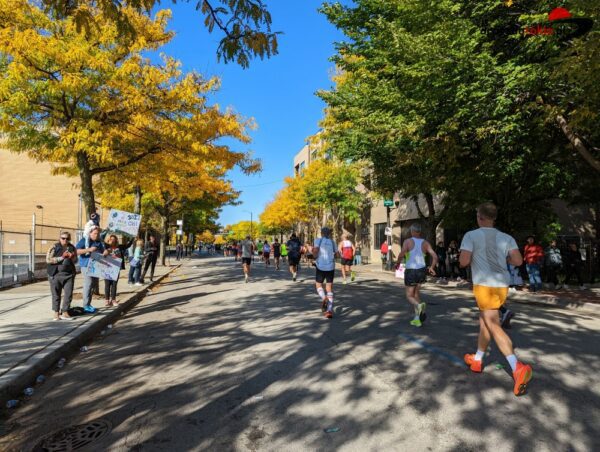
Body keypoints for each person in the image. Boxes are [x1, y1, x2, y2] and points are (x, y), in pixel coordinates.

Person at [460, 202, 533, 396]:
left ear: (480, 217)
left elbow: (463, 261)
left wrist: (475, 256)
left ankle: (516, 367)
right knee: (485, 321)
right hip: (502, 285)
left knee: (492, 324)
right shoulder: (506, 237)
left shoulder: (471, 235)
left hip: (484, 284)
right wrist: (503, 259)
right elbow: (518, 261)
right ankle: (477, 359)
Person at [398, 224, 438, 327]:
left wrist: (397, 263)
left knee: (409, 296)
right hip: (421, 271)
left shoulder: (407, 241)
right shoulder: (425, 243)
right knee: (416, 295)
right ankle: (417, 319)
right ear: (419, 231)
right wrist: (432, 267)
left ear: (412, 231)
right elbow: (435, 256)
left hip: (411, 271)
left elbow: (402, 254)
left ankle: (419, 305)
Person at [76, 226, 108, 313]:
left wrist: (106, 252)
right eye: (94, 233)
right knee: (88, 284)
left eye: (97, 234)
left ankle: (88, 304)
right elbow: (76, 251)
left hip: (96, 265)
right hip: (86, 265)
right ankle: (85, 305)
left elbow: (103, 251)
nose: (96, 235)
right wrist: (89, 249)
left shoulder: (99, 241)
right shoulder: (84, 240)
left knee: (92, 285)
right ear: (90, 233)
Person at [46, 232, 78, 321]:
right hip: (55, 274)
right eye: (63, 238)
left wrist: (72, 257)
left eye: (67, 239)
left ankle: (65, 312)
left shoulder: (72, 247)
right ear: (60, 239)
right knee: (56, 294)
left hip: (69, 275)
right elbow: (48, 260)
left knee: (68, 294)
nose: (65, 240)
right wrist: (62, 257)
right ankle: (56, 312)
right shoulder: (54, 247)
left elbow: (76, 260)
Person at [313, 227, 338, 319]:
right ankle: (329, 311)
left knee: (318, 285)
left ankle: (324, 298)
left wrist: (314, 256)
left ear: (322, 233)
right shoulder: (333, 242)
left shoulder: (318, 240)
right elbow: (337, 254)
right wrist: (332, 256)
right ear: (329, 234)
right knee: (329, 288)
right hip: (330, 266)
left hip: (320, 266)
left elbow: (316, 251)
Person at [104, 234, 132, 307]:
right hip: (107, 267)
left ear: (116, 240)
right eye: (111, 239)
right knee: (107, 284)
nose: (112, 240)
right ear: (108, 240)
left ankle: (113, 300)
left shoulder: (119, 247)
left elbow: (127, 245)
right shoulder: (106, 246)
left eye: (114, 239)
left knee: (114, 284)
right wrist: (105, 231)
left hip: (116, 268)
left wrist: (132, 238)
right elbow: (101, 239)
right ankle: (107, 300)